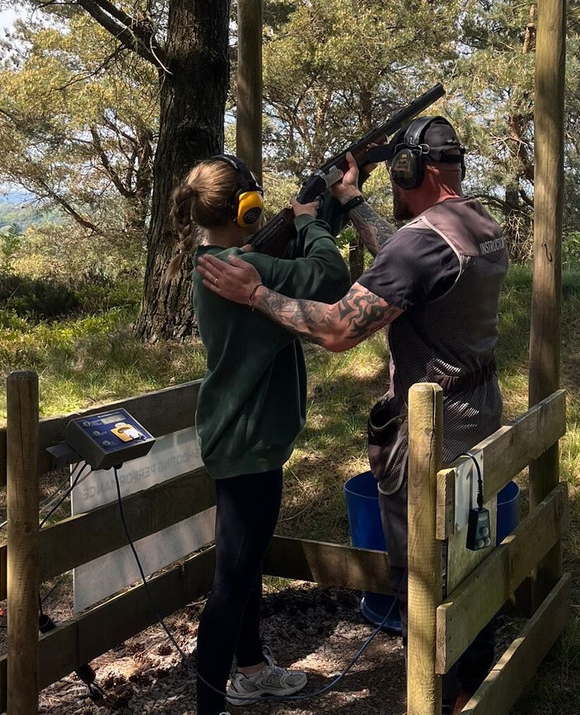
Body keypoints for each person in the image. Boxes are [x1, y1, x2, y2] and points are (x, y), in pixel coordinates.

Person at [195, 117, 508, 714]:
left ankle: (436, 698)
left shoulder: (420, 245)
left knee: (424, 576)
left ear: (409, 170)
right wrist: (351, 199)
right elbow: (408, 254)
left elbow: (339, 328)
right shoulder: (478, 225)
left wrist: (256, 293)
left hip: (430, 436)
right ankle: (472, 689)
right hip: (479, 420)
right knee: (473, 553)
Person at [167, 153, 351, 715]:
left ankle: (249, 671)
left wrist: (326, 206)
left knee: (243, 565)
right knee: (231, 583)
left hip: (239, 438)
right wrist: (311, 221)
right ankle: (210, 707)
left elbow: (297, 262)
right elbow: (328, 277)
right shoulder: (243, 274)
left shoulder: (221, 262)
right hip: (248, 445)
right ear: (245, 209)